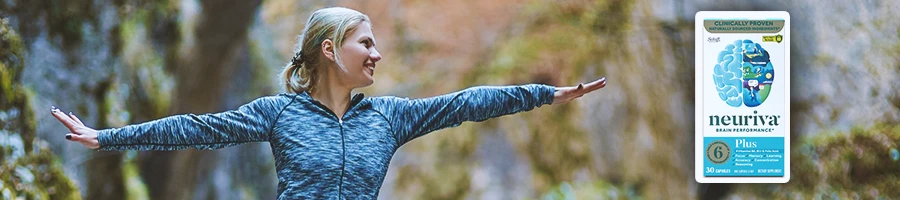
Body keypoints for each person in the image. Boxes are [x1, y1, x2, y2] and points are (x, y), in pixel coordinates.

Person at [51, 7, 607, 199]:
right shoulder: (279, 113)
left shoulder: (391, 117)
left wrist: (542, 94)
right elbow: (198, 128)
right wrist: (107, 137)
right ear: (329, 48)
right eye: (366, 43)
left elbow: (466, 103)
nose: (377, 54)